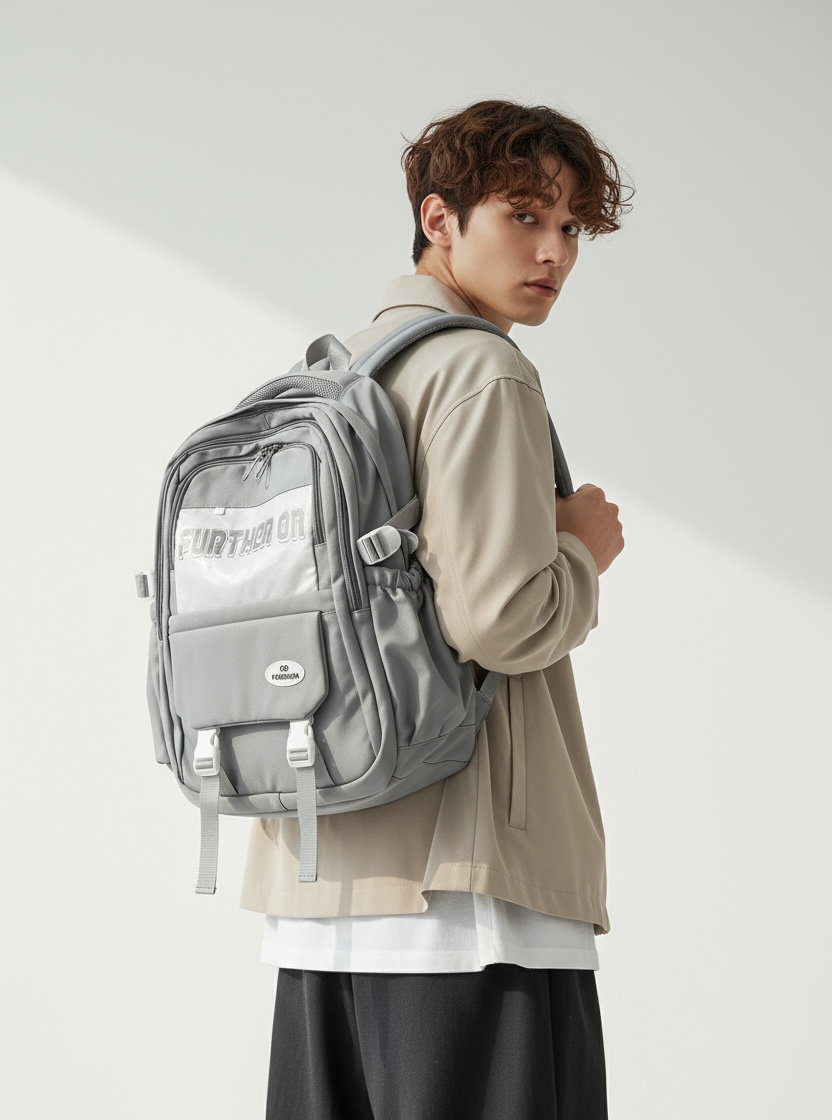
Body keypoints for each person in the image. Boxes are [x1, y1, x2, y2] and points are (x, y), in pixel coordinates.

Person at [241, 98, 630, 1119]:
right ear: (438, 219)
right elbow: (498, 619)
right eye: (523, 216)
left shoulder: (336, 369)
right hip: (466, 902)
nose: (553, 252)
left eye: (570, 228)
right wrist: (581, 552)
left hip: (319, 885)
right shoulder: (481, 369)